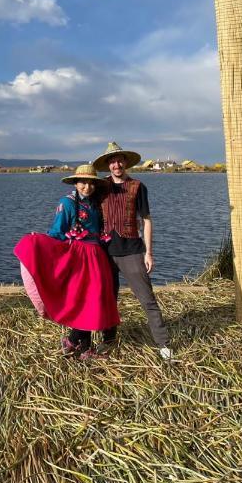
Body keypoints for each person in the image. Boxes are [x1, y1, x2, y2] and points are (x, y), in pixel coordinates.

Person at [14, 164, 120, 360]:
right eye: (82, 182)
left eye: (90, 183)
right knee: (84, 300)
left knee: (93, 300)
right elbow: (57, 232)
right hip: (79, 257)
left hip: (96, 257)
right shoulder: (68, 203)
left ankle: (79, 344)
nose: (86, 187)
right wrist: (39, 243)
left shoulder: (95, 204)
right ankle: (77, 343)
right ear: (75, 183)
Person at [92, 141, 173, 361]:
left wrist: (149, 252)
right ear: (108, 165)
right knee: (108, 298)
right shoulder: (100, 186)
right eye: (112, 161)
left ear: (125, 162)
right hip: (106, 252)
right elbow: (86, 211)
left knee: (147, 298)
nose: (116, 164)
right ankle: (108, 341)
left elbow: (146, 220)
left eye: (119, 160)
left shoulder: (138, 186)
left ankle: (163, 343)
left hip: (132, 251)